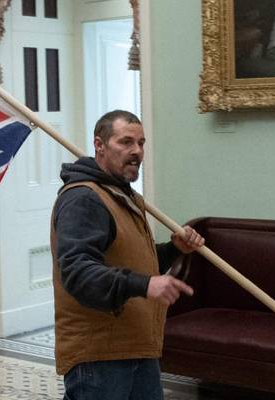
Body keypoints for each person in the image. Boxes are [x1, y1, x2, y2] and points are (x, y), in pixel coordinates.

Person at [51, 110, 205, 400]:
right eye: (126, 142)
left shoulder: (125, 196)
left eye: (141, 143)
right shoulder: (83, 198)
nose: (136, 151)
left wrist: (174, 250)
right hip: (100, 356)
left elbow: (131, 263)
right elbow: (78, 273)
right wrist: (146, 285)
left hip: (137, 346)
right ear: (100, 145)